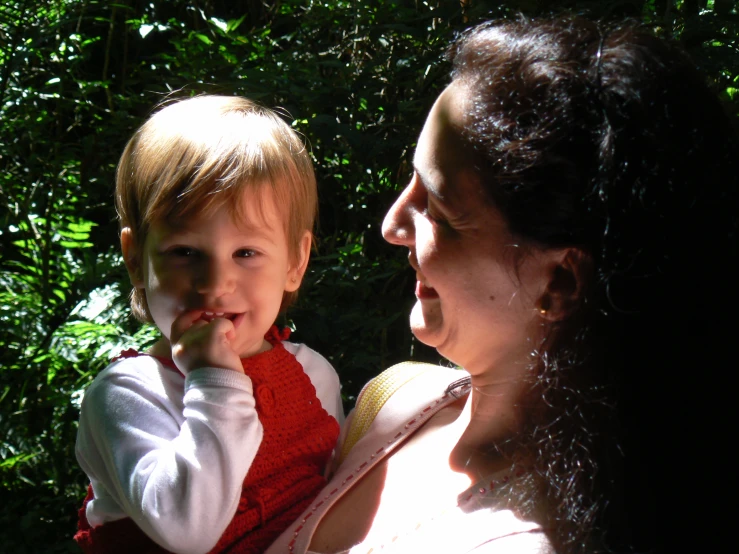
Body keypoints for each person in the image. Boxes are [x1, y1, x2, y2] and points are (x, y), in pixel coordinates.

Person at [266, 15, 738, 554]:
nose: (392, 226)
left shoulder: (532, 541)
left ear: (560, 281)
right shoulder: (392, 400)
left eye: (439, 212)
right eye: (410, 177)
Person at [74, 95, 344, 554]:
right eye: (185, 252)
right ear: (136, 259)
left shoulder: (313, 374)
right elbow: (188, 531)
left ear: (295, 262)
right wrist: (216, 381)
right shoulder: (127, 394)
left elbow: (338, 494)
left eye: (246, 253)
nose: (216, 284)